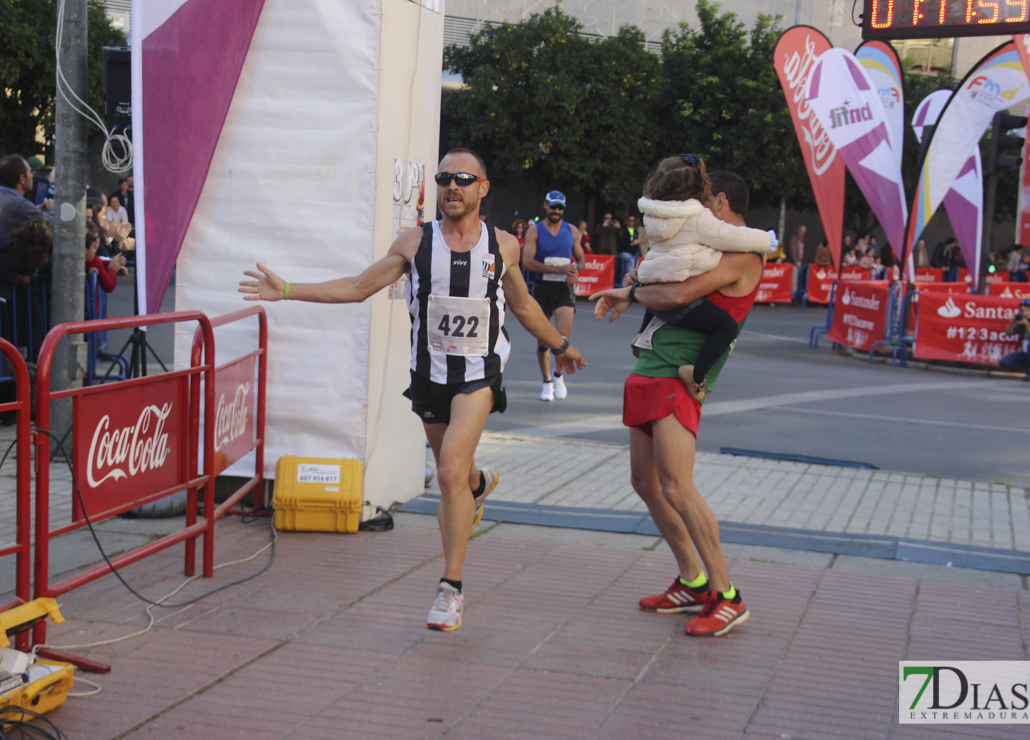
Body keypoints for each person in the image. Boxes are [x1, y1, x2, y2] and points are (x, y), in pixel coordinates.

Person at [240, 148, 586, 631]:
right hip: (430, 375)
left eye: (463, 178)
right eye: (445, 177)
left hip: (478, 374)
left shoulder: (502, 245)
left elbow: (525, 307)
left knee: (445, 470)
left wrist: (561, 344)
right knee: (457, 476)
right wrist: (290, 289)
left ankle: (451, 589)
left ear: (482, 188)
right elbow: (360, 287)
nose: (452, 186)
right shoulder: (414, 242)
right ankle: (478, 484)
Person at [590, 169, 761, 637]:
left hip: (678, 375)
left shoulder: (743, 252)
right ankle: (693, 579)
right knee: (645, 482)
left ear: (720, 203)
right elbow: (660, 285)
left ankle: (727, 595)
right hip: (651, 363)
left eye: (700, 205)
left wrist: (631, 289)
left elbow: (679, 293)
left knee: (678, 487)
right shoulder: (699, 247)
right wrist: (638, 285)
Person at [632, 154, 774, 401]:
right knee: (725, 327)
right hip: (668, 372)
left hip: (656, 366)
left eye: (702, 198)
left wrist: (634, 289)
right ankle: (696, 375)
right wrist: (768, 240)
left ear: (720, 201)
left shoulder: (674, 223)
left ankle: (641, 334)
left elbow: (673, 287)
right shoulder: (711, 235)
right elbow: (679, 294)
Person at [521, 190, 585, 401]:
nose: (556, 211)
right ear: (545, 206)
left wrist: (575, 269)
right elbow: (527, 262)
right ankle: (546, 380)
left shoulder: (572, 230)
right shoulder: (535, 230)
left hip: (563, 291)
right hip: (542, 289)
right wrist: (559, 270)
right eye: (553, 206)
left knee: (561, 340)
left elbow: (581, 260)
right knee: (543, 342)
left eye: (560, 208)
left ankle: (558, 375)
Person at [0, 154, 50, 247]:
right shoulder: (18, 204)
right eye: (30, 172)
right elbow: (53, 225)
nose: (32, 176)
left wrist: (37, 209)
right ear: (22, 179)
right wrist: (52, 209)